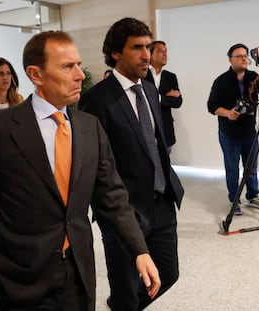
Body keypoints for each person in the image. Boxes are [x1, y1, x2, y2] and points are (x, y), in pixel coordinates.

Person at [0, 31, 160, 311]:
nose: (80, 75)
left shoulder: (89, 126)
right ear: (36, 74)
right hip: (21, 278)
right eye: (68, 67)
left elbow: (113, 197)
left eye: (78, 65)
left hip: (80, 273)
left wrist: (139, 249)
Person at [79, 18, 184, 311]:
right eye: (137, 47)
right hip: (125, 211)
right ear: (115, 53)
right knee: (125, 289)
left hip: (162, 202)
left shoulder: (150, 90)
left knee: (168, 273)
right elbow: (93, 165)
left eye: (148, 47)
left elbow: (158, 146)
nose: (146, 55)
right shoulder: (95, 100)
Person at [207, 43, 259, 215]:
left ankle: (253, 195)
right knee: (232, 168)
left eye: (245, 55)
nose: (243, 58)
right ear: (230, 59)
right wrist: (228, 113)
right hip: (229, 133)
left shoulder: (254, 77)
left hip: (249, 131)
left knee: (251, 167)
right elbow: (212, 106)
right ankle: (234, 199)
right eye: (239, 56)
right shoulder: (221, 81)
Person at [144, 40, 182, 154]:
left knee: (165, 166)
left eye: (166, 51)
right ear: (150, 54)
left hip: (166, 129)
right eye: (160, 51)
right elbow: (142, 98)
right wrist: (164, 97)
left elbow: (178, 102)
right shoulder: (142, 74)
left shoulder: (170, 77)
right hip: (146, 128)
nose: (165, 54)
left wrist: (157, 98)